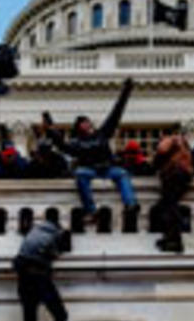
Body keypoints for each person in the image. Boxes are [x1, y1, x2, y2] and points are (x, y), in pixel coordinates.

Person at [46, 78, 138, 219]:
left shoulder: (103, 134)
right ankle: (90, 209)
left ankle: (130, 204)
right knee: (80, 174)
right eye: (83, 123)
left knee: (122, 174)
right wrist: (52, 130)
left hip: (107, 168)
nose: (87, 124)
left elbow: (116, 113)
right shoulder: (76, 143)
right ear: (78, 128)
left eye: (88, 122)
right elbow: (62, 146)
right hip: (90, 170)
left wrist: (125, 92)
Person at [13, 220, 78, 321]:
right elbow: (55, 253)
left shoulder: (34, 230)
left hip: (23, 278)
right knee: (61, 315)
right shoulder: (56, 235)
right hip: (39, 277)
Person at [151, 132, 193, 253]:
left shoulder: (171, 140)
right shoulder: (182, 145)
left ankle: (174, 240)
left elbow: (161, 151)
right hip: (181, 174)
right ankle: (170, 237)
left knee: (170, 206)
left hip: (174, 174)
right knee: (168, 205)